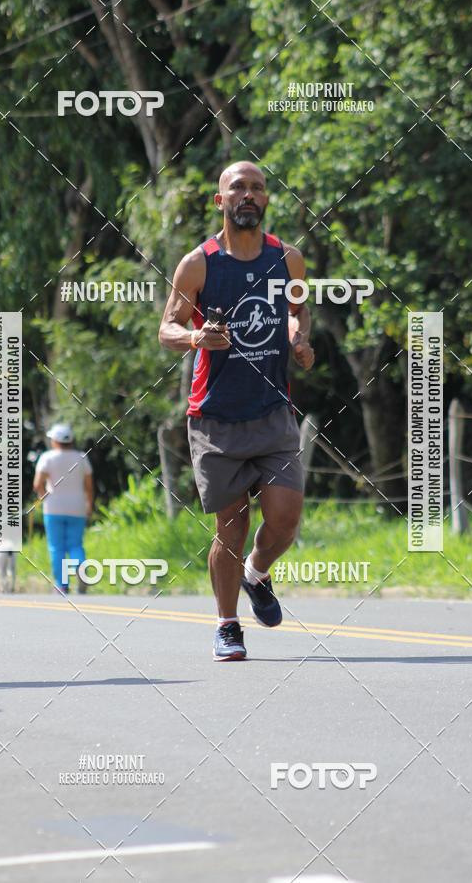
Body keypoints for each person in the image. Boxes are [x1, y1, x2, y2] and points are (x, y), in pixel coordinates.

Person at [158, 160, 314, 660]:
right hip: (216, 415)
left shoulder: (287, 259)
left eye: (257, 189)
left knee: (285, 519)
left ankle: (257, 572)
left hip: (272, 409)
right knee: (232, 525)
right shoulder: (198, 264)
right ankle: (227, 625)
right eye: (238, 188)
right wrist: (195, 337)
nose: (248, 195)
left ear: (266, 200)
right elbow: (166, 329)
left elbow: (297, 309)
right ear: (220, 200)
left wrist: (299, 337)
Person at [33, 423, 93, 594]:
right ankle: (80, 566)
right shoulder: (82, 457)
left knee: (57, 547)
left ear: (55, 441)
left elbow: (37, 484)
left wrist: (44, 497)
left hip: (54, 508)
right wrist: (89, 505)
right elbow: (89, 486)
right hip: (78, 507)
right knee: (75, 544)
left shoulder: (47, 457)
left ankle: (62, 584)